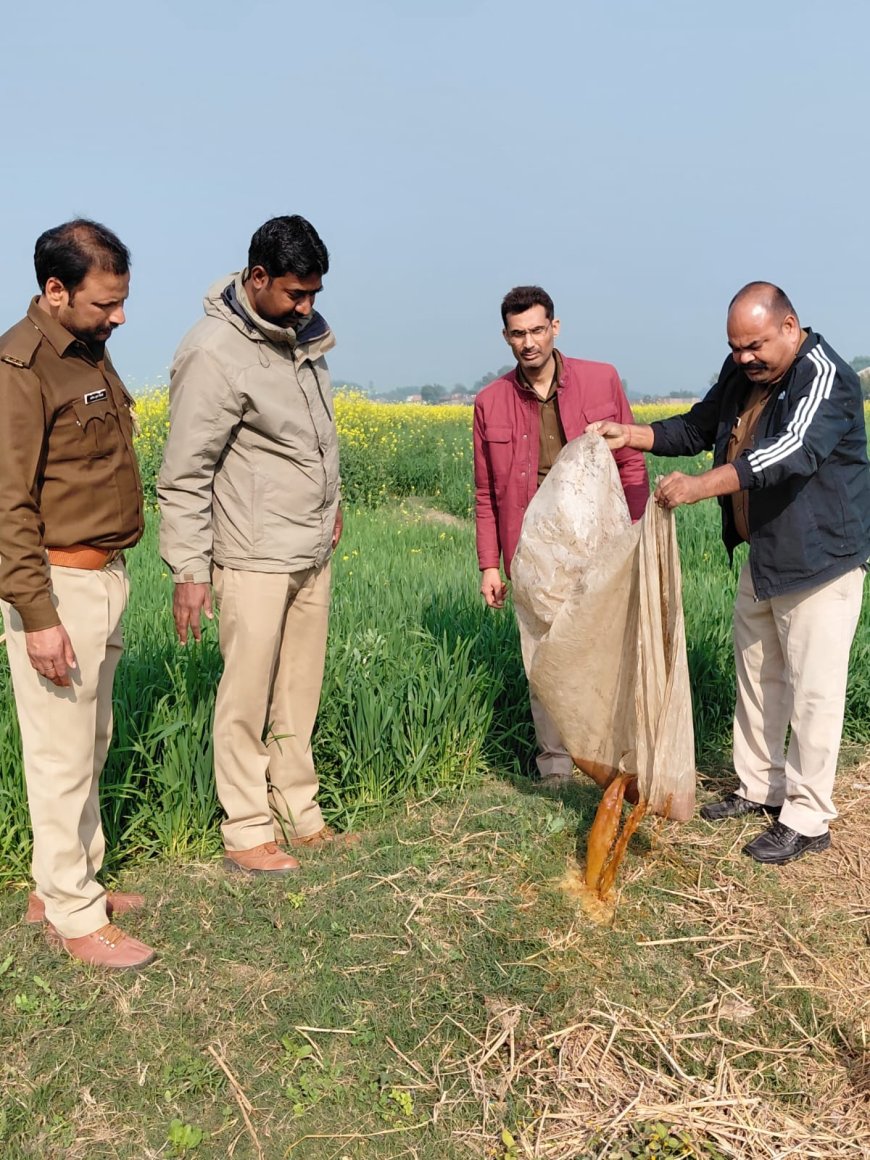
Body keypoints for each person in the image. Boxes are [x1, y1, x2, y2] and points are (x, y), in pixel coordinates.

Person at [590, 282, 870, 864]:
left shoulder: (827, 376)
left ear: (790, 327)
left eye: (756, 345)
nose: (744, 358)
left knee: (814, 691)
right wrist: (633, 434)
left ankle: (808, 816)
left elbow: (788, 453)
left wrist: (698, 487)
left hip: (821, 559)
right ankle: (758, 786)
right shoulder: (743, 372)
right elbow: (698, 427)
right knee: (757, 673)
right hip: (765, 553)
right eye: (735, 347)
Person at [158, 215, 355, 875]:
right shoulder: (213, 351)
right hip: (249, 555)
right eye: (295, 295)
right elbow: (184, 473)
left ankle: (300, 813)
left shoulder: (300, 338)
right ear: (258, 276)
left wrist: (334, 504)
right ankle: (246, 830)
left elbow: (312, 438)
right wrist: (189, 570)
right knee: (245, 697)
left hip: (310, 549)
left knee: (299, 691)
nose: (306, 307)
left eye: (314, 296)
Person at [0, 220, 153, 969]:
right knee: (59, 755)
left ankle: (64, 882)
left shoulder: (86, 349)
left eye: (121, 301)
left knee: (89, 742)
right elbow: (8, 502)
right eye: (104, 303)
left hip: (104, 577)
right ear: (55, 291)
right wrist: (38, 617)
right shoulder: (20, 367)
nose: (118, 316)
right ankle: (73, 913)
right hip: (58, 586)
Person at [473, 285, 649, 782]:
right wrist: (490, 562)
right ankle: (556, 768)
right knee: (544, 654)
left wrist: (636, 537)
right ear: (505, 337)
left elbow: (631, 464)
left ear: (554, 327)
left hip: (599, 541)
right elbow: (485, 491)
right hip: (533, 553)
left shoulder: (601, 379)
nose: (528, 342)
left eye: (536, 330)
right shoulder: (490, 402)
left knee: (606, 647)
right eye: (517, 333)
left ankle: (611, 759)